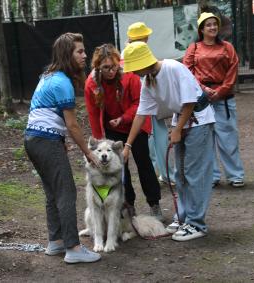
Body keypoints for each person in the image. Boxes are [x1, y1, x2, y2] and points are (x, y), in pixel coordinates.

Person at [122, 41, 216, 241]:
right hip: (180, 120)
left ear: (143, 62)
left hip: (199, 120)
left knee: (194, 173)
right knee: (179, 173)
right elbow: (141, 114)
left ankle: (196, 223)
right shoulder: (147, 81)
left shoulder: (173, 68)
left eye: (134, 67)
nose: (133, 72)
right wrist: (128, 145)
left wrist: (177, 129)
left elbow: (190, 100)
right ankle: (183, 217)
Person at [24, 33, 101, 263]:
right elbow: (72, 124)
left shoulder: (48, 76)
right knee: (67, 191)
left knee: (53, 192)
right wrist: (88, 153)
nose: (84, 55)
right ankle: (73, 249)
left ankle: (56, 242)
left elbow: (45, 113)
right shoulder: (62, 82)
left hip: (33, 140)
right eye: (79, 51)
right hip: (44, 141)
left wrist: (59, 140)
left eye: (84, 51)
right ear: (67, 54)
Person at [84, 43, 163, 221]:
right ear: (98, 67)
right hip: (113, 131)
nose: (111, 71)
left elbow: (140, 104)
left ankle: (154, 203)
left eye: (113, 66)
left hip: (136, 125)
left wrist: (123, 118)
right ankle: (128, 205)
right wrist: (98, 143)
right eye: (105, 68)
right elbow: (93, 113)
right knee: (120, 169)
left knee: (144, 164)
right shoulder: (92, 84)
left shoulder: (129, 75)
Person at [183, 12, 245, 188]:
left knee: (228, 137)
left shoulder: (227, 47)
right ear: (201, 29)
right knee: (205, 138)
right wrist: (203, 90)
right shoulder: (193, 48)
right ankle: (212, 176)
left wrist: (221, 91)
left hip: (224, 98)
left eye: (214, 24)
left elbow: (233, 70)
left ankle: (235, 175)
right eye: (208, 25)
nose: (212, 27)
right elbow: (187, 72)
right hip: (201, 100)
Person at [125, 21, 178, 186]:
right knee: (159, 138)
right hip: (147, 104)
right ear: (143, 37)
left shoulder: (126, 53)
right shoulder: (138, 54)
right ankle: (167, 175)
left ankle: (158, 174)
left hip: (140, 105)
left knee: (152, 140)